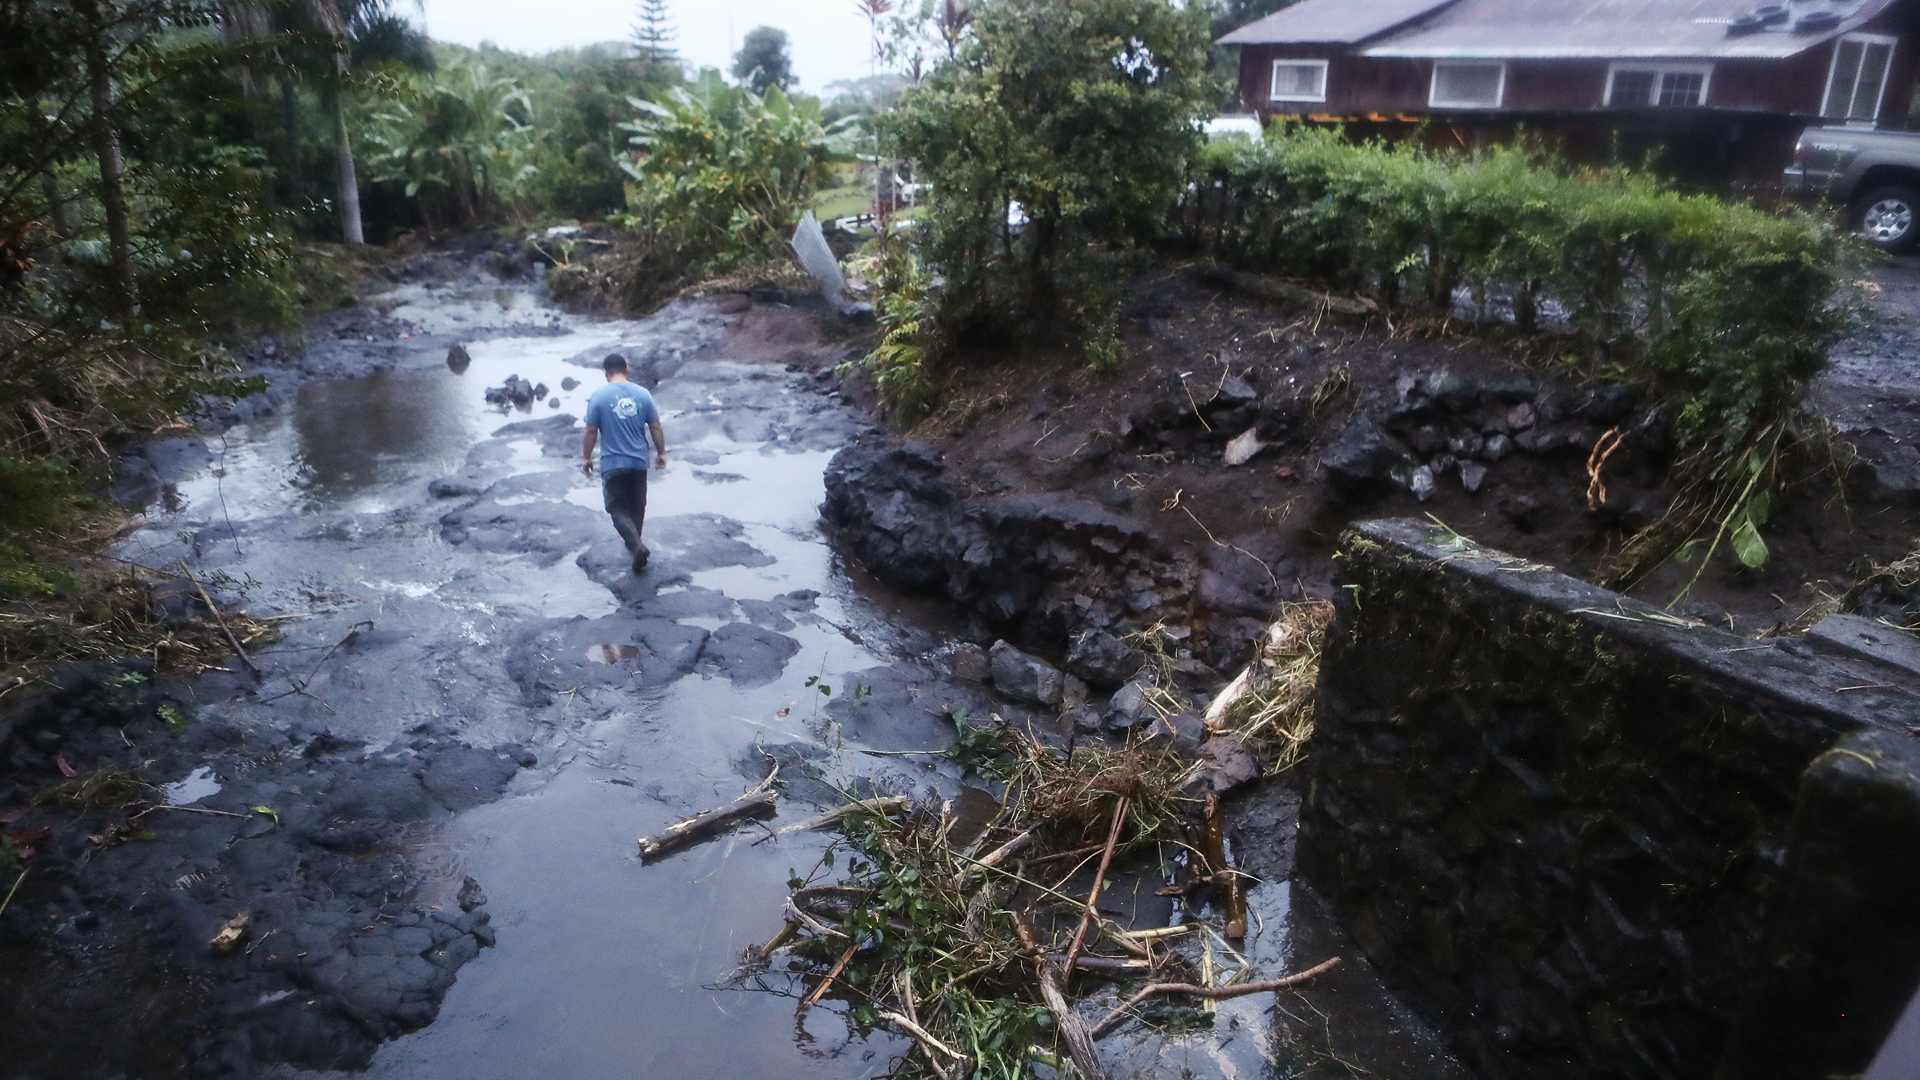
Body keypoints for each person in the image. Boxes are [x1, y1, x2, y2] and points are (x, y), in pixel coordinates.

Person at [581, 354, 667, 572]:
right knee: (637, 507)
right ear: (626, 369)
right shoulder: (643, 394)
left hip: (613, 463)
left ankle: (636, 547)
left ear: (605, 372)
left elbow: (591, 430)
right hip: (639, 462)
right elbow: (655, 427)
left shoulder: (598, 397)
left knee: (617, 507)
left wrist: (586, 457)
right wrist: (661, 453)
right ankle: (636, 548)